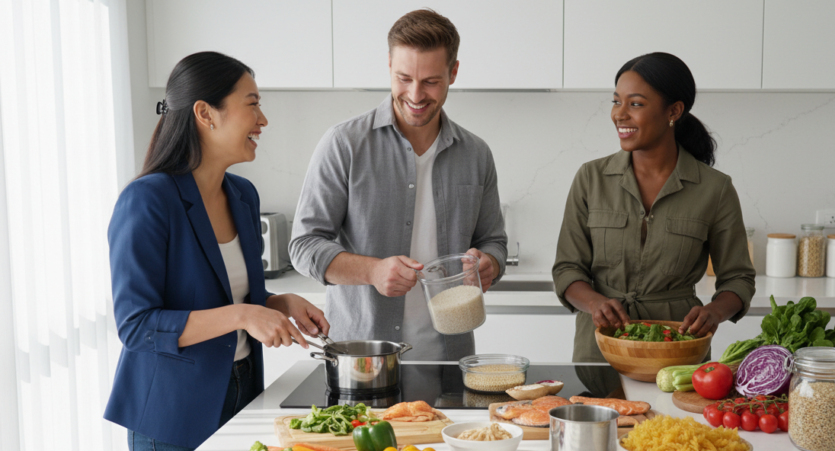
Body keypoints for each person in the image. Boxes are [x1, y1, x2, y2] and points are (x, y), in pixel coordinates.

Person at [106, 52, 328, 451]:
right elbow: (136, 326)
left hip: (243, 394)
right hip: (172, 418)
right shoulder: (148, 201)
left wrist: (275, 302)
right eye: (252, 103)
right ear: (205, 113)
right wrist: (244, 316)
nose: (262, 119)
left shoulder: (242, 196)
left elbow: (233, 293)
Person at [289, 9, 507, 361]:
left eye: (431, 81)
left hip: (451, 358)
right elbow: (303, 246)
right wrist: (372, 271)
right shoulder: (344, 144)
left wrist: (490, 265)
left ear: (453, 72)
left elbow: (493, 242)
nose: (416, 95)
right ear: (389, 64)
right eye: (404, 77)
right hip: (364, 360)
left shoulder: (476, 154)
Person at [552, 52, 756, 362]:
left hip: (679, 350)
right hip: (600, 350)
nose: (620, 114)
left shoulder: (715, 189)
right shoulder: (591, 178)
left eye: (635, 104)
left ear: (673, 111)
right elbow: (567, 269)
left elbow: (738, 278)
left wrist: (714, 312)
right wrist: (595, 303)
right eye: (616, 101)